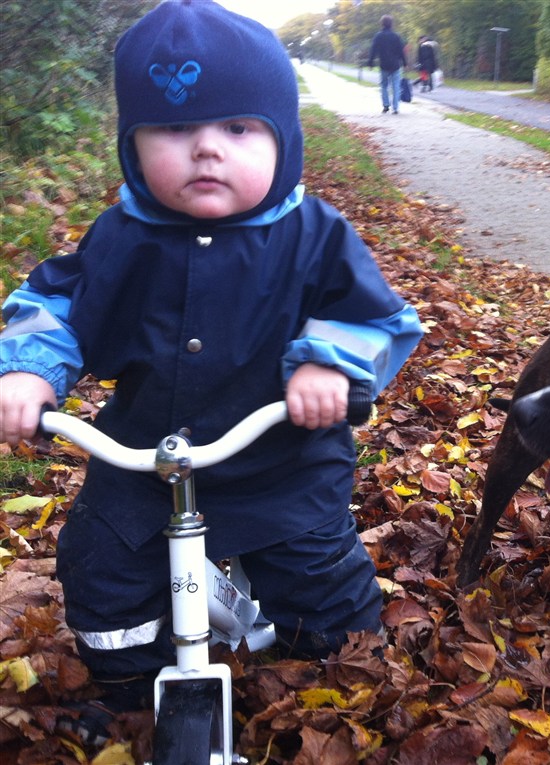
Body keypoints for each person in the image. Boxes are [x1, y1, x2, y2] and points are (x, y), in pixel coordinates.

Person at [0, 0, 422, 738]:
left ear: (282, 138)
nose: (206, 150)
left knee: (321, 581)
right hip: (144, 458)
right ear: (132, 145)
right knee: (99, 563)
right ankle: (129, 689)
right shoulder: (123, 237)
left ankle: (341, 681)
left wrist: (328, 363)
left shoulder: (313, 236)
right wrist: (30, 371)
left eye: (237, 128)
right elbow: (57, 302)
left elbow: (372, 315)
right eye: (173, 130)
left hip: (283, 459)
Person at [366, 14, 406, 114]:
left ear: (382, 24)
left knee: (384, 85)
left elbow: (373, 50)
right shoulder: (396, 36)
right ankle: (395, 108)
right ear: (391, 24)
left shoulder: (378, 36)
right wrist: (405, 62)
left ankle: (386, 105)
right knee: (396, 86)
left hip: (384, 64)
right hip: (395, 65)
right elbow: (401, 51)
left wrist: (370, 62)